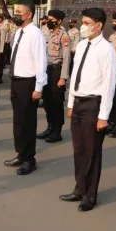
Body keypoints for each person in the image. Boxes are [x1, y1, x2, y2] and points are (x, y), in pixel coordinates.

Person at [59, 7, 116, 211]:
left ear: (98, 25)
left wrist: (103, 116)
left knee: (92, 152)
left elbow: (109, 84)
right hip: (79, 103)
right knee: (79, 150)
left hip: (94, 105)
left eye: (86, 23)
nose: (83, 26)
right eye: (82, 22)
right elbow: (76, 75)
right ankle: (79, 189)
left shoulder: (107, 49)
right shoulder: (82, 44)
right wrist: (71, 103)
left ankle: (90, 196)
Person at [4, 1, 47, 175]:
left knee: (27, 122)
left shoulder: (35, 34)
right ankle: (21, 154)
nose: (16, 15)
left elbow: (40, 62)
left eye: (19, 12)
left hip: (28, 82)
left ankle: (29, 159)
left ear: (29, 15)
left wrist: (38, 87)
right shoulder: (19, 31)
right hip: (16, 81)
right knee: (18, 120)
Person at [37, 9, 71, 143]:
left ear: (59, 21)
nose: (48, 22)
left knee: (56, 102)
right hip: (46, 70)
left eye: (52, 20)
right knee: (47, 101)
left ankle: (57, 131)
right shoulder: (46, 32)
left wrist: (63, 78)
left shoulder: (64, 36)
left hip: (57, 71)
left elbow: (67, 58)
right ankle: (49, 127)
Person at [0, 13, 9, 84]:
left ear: (1, 19)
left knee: (0, 63)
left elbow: (6, 30)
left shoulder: (4, 26)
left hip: (1, 47)